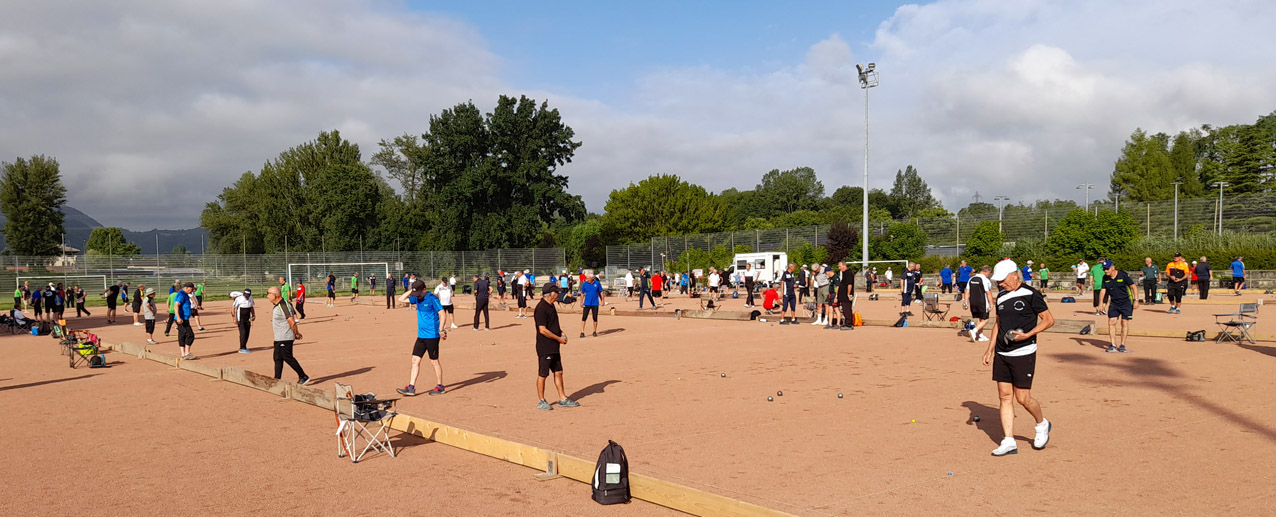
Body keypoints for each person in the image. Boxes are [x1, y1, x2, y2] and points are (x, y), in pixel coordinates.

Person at [983, 259, 1054, 457]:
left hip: (1024, 352)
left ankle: (1042, 424)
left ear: (1015, 275)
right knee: (1004, 396)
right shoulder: (1002, 296)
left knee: (1023, 398)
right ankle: (1008, 441)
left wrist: (1028, 335)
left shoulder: (1032, 295)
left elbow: (1049, 320)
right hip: (1002, 353)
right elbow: (998, 324)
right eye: (998, 281)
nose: (1000, 284)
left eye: (1003, 280)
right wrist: (989, 349)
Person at [395, 280, 446, 396]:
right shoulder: (416, 298)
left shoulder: (432, 298)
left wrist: (441, 329)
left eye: (418, 292)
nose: (417, 296)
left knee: (434, 361)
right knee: (415, 360)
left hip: (432, 335)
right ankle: (411, 387)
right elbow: (401, 299)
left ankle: (440, 386)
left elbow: (442, 313)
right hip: (421, 335)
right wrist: (411, 291)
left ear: (424, 289)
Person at [534, 284, 579, 411]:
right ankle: (541, 400)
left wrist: (561, 332)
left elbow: (553, 324)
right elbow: (542, 330)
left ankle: (562, 398)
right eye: (557, 293)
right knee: (543, 374)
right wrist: (559, 339)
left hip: (554, 346)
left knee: (558, 372)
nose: (558, 295)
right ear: (551, 294)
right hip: (545, 346)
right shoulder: (541, 308)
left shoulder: (551, 306)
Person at [266, 287, 309, 385]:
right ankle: (277, 379)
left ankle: (303, 376)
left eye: (268, 293)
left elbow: (292, 321)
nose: (267, 296)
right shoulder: (279, 305)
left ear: (275, 295)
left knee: (287, 357)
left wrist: (296, 333)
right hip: (279, 337)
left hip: (285, 337)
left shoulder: (283, 305)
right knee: (277, 358)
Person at [1100, 260, 1136, 353]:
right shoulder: (1105, 278)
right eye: (1104, 269)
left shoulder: (1123, 275)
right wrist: (1101, 303)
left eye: (1107, 269)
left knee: (1124, 322)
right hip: (1114, 303)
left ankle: (1122, 344)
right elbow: (1103, 291)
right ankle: (1113, 345)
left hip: (1126, 302)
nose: (1105, 271)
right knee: (1111, 322)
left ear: (1113, 267)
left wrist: (1136, 300)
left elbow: (1133, 287)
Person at [967, 265, 994, 342]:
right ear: (986, 271)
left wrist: (965, 302)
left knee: (980, 319)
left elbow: (967, 291)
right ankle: (974, 331)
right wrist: (991, 303)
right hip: (983, 302)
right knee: (985, 320)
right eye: (989, 273)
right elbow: (988, 293)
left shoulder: (971, 278)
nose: (989, 274)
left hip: (973, 301)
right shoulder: (985, 280)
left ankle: (981, 336)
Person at [174, 282, 197, 360]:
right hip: (181, 319)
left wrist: (190, 310)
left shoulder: (185, 294)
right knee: (190, 335)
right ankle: (187, 353)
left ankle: (183, 354)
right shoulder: (181, 294)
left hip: (184, 318)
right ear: (187, 288)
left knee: (182, 335)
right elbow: (176, 305)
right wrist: (178, 317)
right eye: (191, 289)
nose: (192, 291)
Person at [579, 273, 605, 338]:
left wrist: (602, 300)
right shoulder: (585, 284)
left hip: (595, 303)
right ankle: (582, 331)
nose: (587, 279)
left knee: (595, 318)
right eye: (587, 278)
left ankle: (594, 331)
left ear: (592, 278)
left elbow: (601, 292)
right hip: (587, 303)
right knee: (584, 317)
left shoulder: (597, 283)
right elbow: (582, 293)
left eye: (588, 278)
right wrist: (581, 302)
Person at [231, 289, 256, 354]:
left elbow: (251, 307)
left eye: (248, 296)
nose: (246, 297)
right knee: (243, 333)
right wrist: (234, 318)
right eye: (245, 296)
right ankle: (242, 347)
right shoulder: (239, 299)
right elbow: (233, 308)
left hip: (248, 318)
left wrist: (253, 315)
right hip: (240, 318)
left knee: (247, 332)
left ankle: (244, 346)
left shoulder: (251, 298)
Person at [835, 262, 855, 330]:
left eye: (840, 266)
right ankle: (847, 323)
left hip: (846, 295)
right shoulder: (844, 273)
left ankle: (849, 324)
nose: (839, 268)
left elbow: (849, 284)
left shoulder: (848, 273)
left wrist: (848, 294)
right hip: (843, 295)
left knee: (847, 309)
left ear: (844, 266)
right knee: (844, 309)